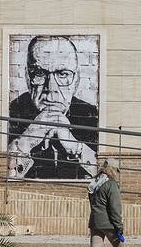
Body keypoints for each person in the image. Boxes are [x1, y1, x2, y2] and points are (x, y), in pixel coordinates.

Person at [8, 35, 99, 180]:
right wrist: (24, 143)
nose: (51, 90)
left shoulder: (92, 116)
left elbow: (114, 179)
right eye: (39, 73)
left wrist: (77, 148)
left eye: (63, 74)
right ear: (26, 77)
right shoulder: (9, 115)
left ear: (76, 80)